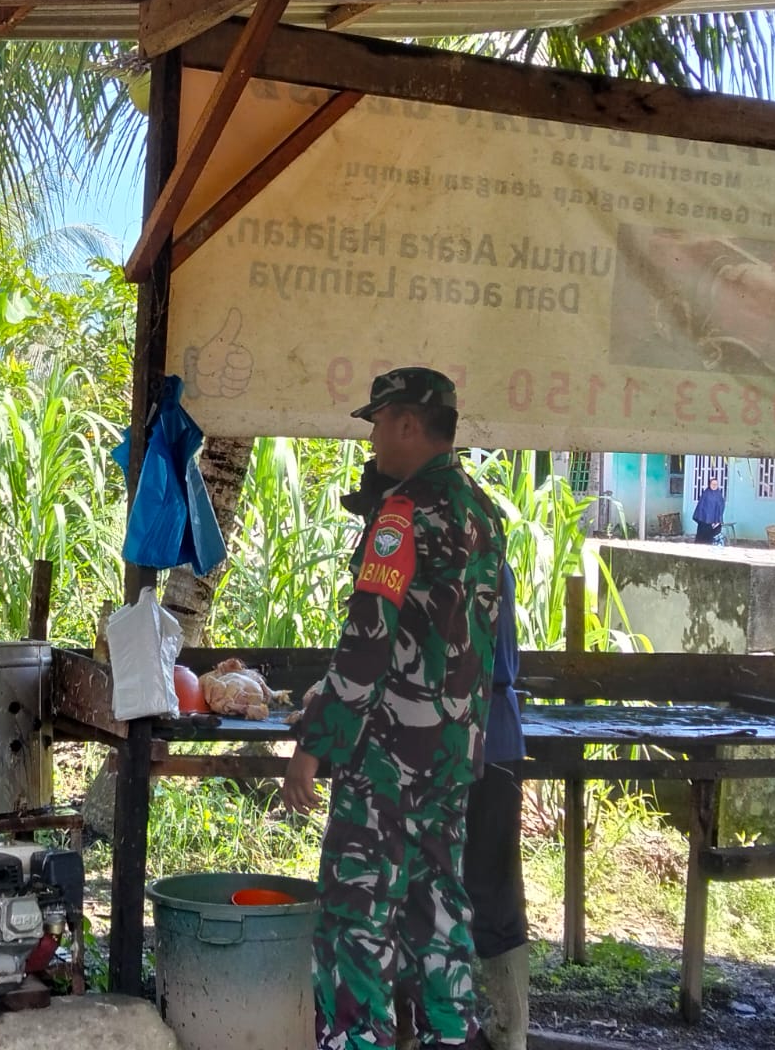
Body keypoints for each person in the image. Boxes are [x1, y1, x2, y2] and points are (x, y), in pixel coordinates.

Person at [284, 368, 506, 1050]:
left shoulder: (402, 516)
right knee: (439, 913)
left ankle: (356, 1041)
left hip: (386, 761)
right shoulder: (483, 512)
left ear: (409, 423)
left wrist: (312, 747)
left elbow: (366, 647)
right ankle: (452, 1038)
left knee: (354, 919)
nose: (374, 439)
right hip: (451, 756)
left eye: (379, 423)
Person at [463, 560, 529, 1050]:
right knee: (497, 890)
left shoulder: (438, 546)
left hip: (456, 736)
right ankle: (510, 1030)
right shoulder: (494, 556)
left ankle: (420, 1029)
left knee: (429, 886)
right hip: (500, 735)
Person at [692, 475, 726, 545]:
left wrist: (717, 520)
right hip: (704, 522)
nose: (714, 485)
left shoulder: (719, 494)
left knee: (714, 541)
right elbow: (701, 507)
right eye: (713, 484)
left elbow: (721, 507)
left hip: (716, 523)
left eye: (716, 484)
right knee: (702, 541)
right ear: (709, 484)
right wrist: (706, 518)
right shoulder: (706, 494)